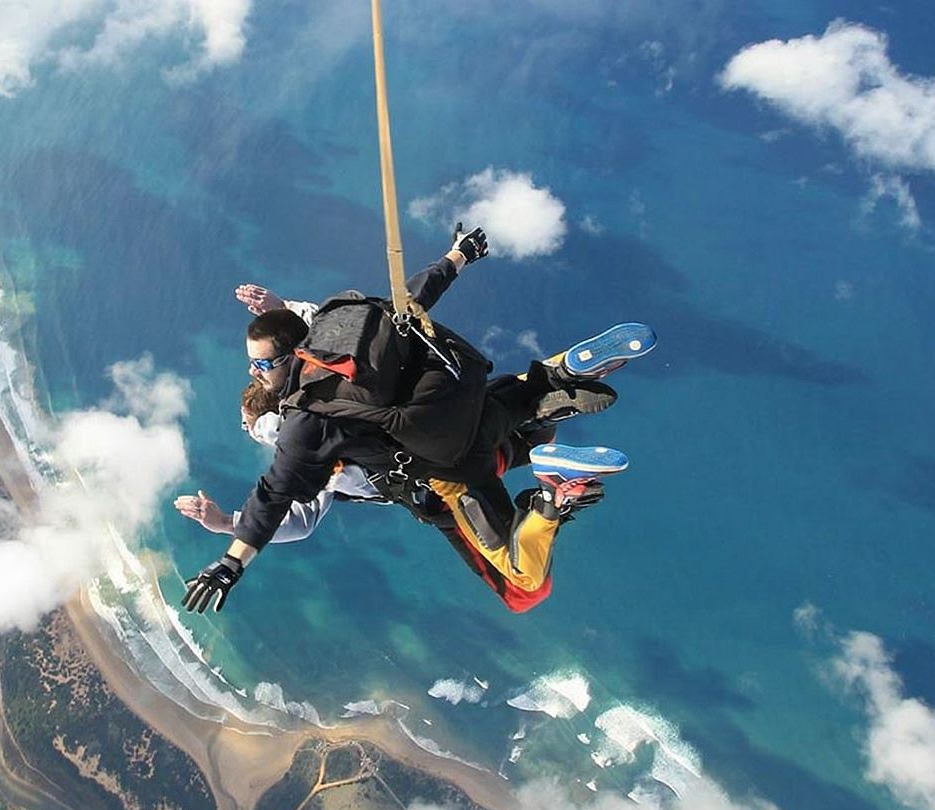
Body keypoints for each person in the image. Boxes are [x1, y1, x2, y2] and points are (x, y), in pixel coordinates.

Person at [181, 226, 654, 613]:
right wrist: (459, 255)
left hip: (443, 473)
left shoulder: (306, 427)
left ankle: (554, 497)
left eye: (262, 365)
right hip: (471, 407)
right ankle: (564, 371)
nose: (255, 371)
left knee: (523, 588)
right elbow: (413, 298)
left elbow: (277, 500)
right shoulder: (345, 323)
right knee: (529, 418)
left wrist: (229, 558)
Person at [173, 382, 387, 544]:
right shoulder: (325, 401)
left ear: (265, 428)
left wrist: (224, 523)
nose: (245, 429)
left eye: (247, 424)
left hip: (413, 485)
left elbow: (299, 523)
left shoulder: (305, 459)